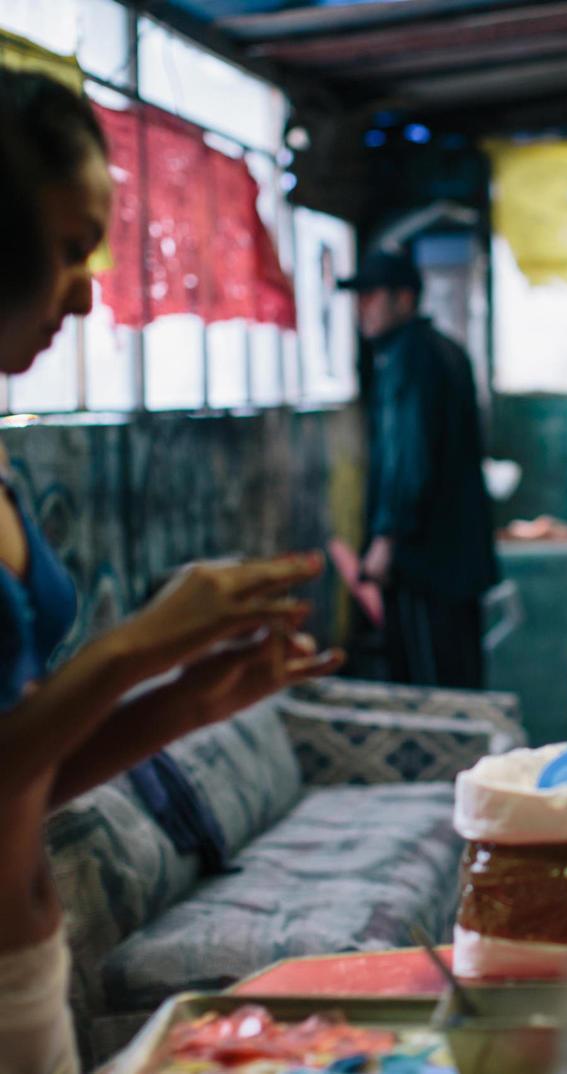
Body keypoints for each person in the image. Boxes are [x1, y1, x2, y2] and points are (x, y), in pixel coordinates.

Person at [0, 69, 344, 1072]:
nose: (85, 289)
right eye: (66, 250)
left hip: (27, 971)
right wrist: (134, 646)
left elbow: (26, 780)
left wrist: (187, 700)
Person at [342, 250, 498, 689]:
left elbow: (407, 456)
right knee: (460, 678)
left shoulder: (407, 358)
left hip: (424, 561)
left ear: (405, 300)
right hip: (456, 559)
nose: (361, 309)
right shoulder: (447, 350)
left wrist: (386, 539)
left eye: (371, 296)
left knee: (428, 688)